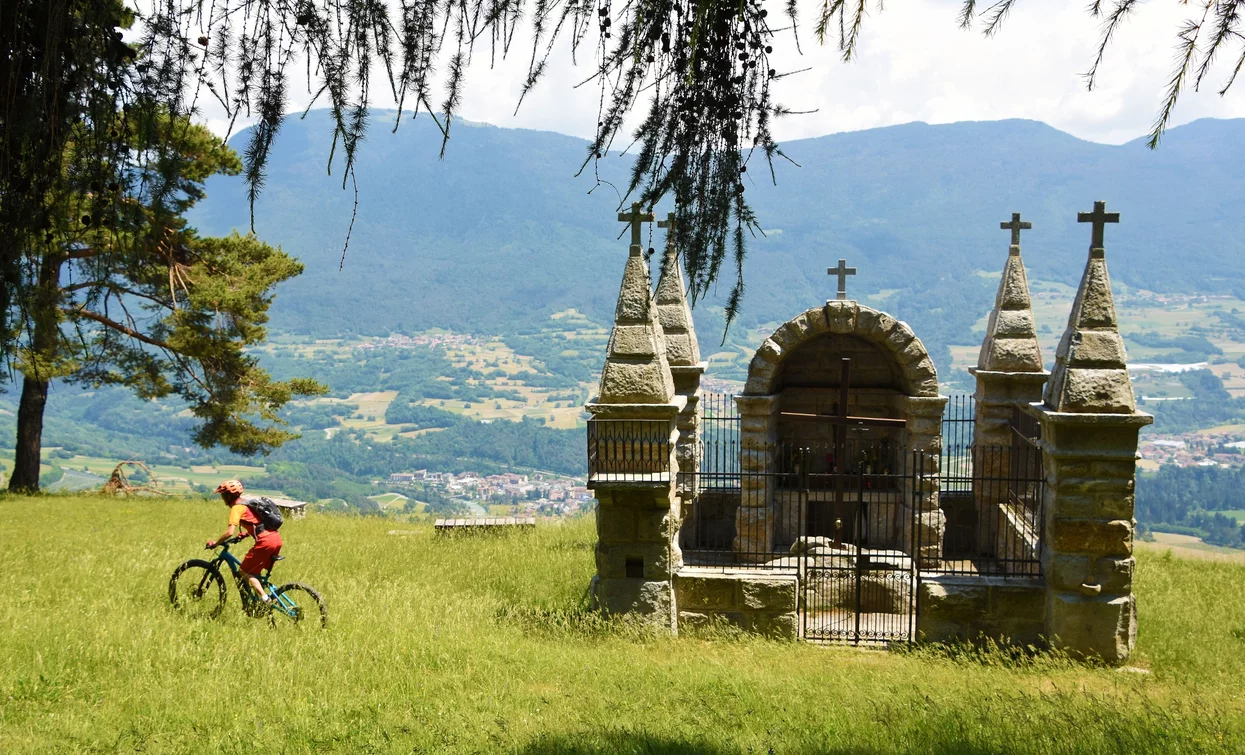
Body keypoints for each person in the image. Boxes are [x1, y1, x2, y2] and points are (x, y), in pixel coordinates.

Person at [206, 479, 283, 605]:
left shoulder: (237, 508)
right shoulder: (246, 504)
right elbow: (258, 524)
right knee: (254, 572)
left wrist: (216, 543)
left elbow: (230, 532)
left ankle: (265, 599)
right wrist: (245, 534)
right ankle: (257, 602)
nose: (222, 498)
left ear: (228, 496)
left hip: (265, 541)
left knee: (244, 571)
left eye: (223, 495)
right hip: (275, 538)